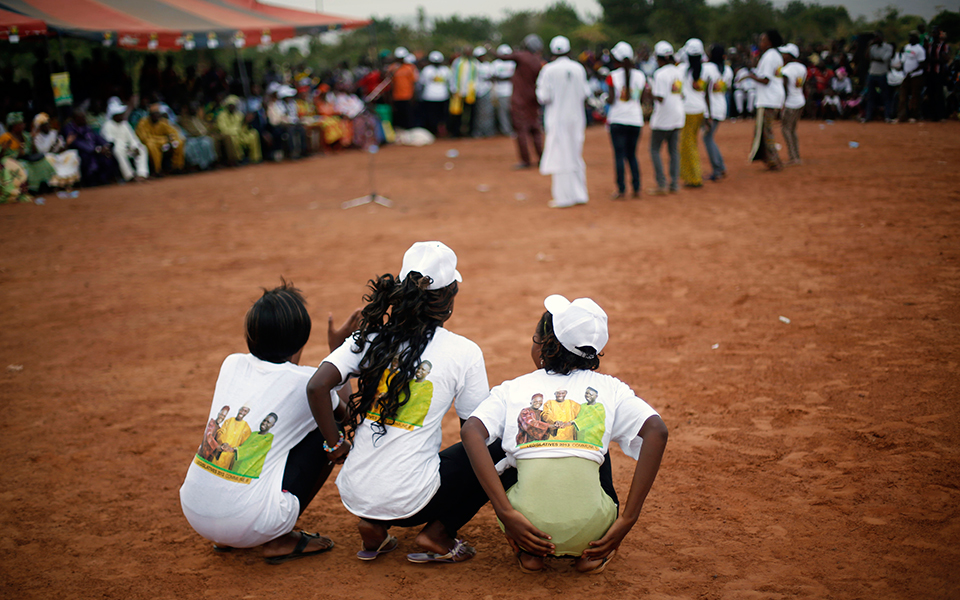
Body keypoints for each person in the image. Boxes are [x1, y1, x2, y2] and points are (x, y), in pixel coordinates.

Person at [305, 241, 493, 564]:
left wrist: (334, 445)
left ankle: (374, 525)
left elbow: (316, 387)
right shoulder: (465, 352)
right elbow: (474, 436)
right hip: (415, 501)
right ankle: (438, 533)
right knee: (494, 449)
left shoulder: (370, 338)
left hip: (355, 493)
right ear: (449, 297)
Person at [462, 294, 668, 574]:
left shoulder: (513, 388)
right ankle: (591, 555)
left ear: (546, 345)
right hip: (592, 530)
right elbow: (657, 430)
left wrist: (505, 512)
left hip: (525, 524)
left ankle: (529, 553)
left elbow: (471, 431)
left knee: (511, 450)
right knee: (594, 446)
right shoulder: (611, 388)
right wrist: (629, 519)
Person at [179, 281, 360, 563]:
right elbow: (347, 415)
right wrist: (339, 350)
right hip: (250, 522)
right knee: (328, 430)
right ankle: (279, 538)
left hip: (194, 512)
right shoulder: (306, 383)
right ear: (302, 339)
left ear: (251, 335)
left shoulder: (231, 363)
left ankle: (225, 537)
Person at [537, 36, 591, 209]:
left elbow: (544, 96)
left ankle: (563, 197)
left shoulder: (548, 70)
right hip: (576, 118)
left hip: (557, 119)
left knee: (560, 155)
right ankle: (580, 194)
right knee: (575, 154)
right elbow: (585, 93)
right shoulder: (578, 68)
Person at [605, 41, 645, 199]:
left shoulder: (612, 76)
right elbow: (642, 98)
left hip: (617, 120)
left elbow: (611, 100)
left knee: (619, 156)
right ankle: (636, 187)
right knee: (632, 155)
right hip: (635, 119)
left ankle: (621, 189)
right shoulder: (640, 76)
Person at [498, 35, 544, 169]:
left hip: (520, 100)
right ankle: (542, 158)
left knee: (521, 130)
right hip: (533, 99)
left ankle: (525, 160)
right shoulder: (537, 61)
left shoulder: (522, 56)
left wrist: (490, 50)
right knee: (535, 129)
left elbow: (503, 57)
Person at [648, 41, 685, 195]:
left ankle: (662, 183)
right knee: (673, 151)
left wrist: (650, 92)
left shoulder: (660, 74)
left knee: (654, 149)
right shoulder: (678, 71)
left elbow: (660, 98)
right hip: (678, 114)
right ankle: (674, 183)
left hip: (663, 117)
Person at [745, 30, 785, 171]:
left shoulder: (769, 56)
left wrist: (750, 76)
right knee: (764, 130)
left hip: (768, 98)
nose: (760, 43)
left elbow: (766, 80)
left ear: (770, 42)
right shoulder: (775, 55)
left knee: (766, 131)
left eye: (763, 40)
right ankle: (769, 159)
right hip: (772, 97)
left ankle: (774, 160)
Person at [679, 38, 707, 188]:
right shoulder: (706, 69)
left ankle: (694, 177)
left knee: (688, 145)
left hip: (688, 110)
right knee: (691, 143)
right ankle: (688, 175)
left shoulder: (683, 69)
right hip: (700, 109)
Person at [702, 44, 732, 181]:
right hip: (721, 105)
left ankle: (718, 169)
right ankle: (721, 167)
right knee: (710, 137)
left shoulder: (707, 68)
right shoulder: (728, 70)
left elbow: (705, 91)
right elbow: (728, 87)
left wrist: (707, 113)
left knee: (707, 138)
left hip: (710, 108)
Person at [100, 101, 149, 182]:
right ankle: (129, 176)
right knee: (118, 150)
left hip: (128, 149)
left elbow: (132, 138)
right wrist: (122, 146)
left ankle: (141, 174)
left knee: (142, 148)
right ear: (115, 115)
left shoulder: (125, 124)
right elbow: (110, 141)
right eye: (120, 114)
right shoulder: (107, 125)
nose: (122, 115)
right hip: (117, 150)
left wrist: (135, 146)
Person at [31, 113, 80, 190]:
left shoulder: (54, 133)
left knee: (72, 154)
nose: (47, 126)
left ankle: (69, 182)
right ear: (40, 127)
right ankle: (56, 184)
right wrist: (53, 146)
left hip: (58, 155)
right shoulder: (37, 138)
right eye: (44, 125)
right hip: (49, 157)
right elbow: (43, 153)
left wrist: (67, 143)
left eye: (48, 124)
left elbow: (62, 148)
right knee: (48, 158)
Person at [136, 103, 185, 175]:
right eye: (154, 114)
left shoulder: (162, 121)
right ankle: (157, 170)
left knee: (179, 142)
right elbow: (144, 138)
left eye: (158, 113)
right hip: (152, 143)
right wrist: (164, 139)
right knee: (151, 145)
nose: (156, 116)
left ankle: (177, 167)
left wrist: (171, 139)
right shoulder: (143, 122)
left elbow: (173, 133)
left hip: (163, 142)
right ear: (150, 115)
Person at [779, 43, 806, 166]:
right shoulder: (802, 67)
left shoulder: (786, 70)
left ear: (790, 55)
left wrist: (782, 104)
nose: (782, 56)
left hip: (790, 102)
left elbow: (784, 88)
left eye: (785, 54)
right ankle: (796, 155)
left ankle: (793, 157)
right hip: (800, 100)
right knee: (793, 129)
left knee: (786, 129)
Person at [217, 95, 262, 165]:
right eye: (231, 105)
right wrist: (237, 130)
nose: (232, 107)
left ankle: (255, 158)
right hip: (231, 135)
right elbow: (223, 129)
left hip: (241, 134)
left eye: (234, 105)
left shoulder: (239, 114)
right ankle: (239, 158)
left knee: (254, 133)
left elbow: (243, 127)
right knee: (233, 138)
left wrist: (246, 122)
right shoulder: (222, 115)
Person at [863, 31, 894, 123]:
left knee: (885, 96)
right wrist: (868, 46)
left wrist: (874, 59)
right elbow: (867, 57)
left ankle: (887, 116)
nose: (876, 39)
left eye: (877, 37)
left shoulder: (888, 47)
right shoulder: (873, 47)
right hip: (872, 73)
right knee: (870, 96)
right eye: (875, 37)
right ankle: (868, 116)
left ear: (882, 38)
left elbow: (884, 59)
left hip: (882, 74)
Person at [449, 48, 480, 137]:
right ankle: (456, 132)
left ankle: (470, 131)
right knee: (457, 113)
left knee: (471, 112)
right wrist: (453, 88)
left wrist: (476, 89)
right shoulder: (457, 62)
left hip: (470, 92)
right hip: (458, 91)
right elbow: (452, 75)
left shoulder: (475, 63)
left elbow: (477, 76)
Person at [420, 51, 451, 137]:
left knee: (441, 117)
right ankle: (432, 132)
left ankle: (440, 132)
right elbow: (422, 82)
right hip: (430, 97)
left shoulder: (445, 70)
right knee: (431, 116)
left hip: (442, 96)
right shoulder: (427, 70)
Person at [897, 32, 925, 123]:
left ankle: (914, 116)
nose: (910, 39)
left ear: (916, 39)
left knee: (915, 96)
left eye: (912, 37)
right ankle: (902, 116)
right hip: (906, 75)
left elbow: (922, 64)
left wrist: (912, 71)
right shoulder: (907, 47)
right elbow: (904, 59)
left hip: (916, 76)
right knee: (903, 96)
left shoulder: (920, 49)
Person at [492, 45, 515, 136]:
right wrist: (507, 78)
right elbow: (493, 76)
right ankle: (506, 130)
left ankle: (514, 128)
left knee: (512, 111)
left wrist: (503, 78)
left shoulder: (512, 63)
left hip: (512, 90)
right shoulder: (495, 64)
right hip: (500, 91)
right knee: (503, 112)